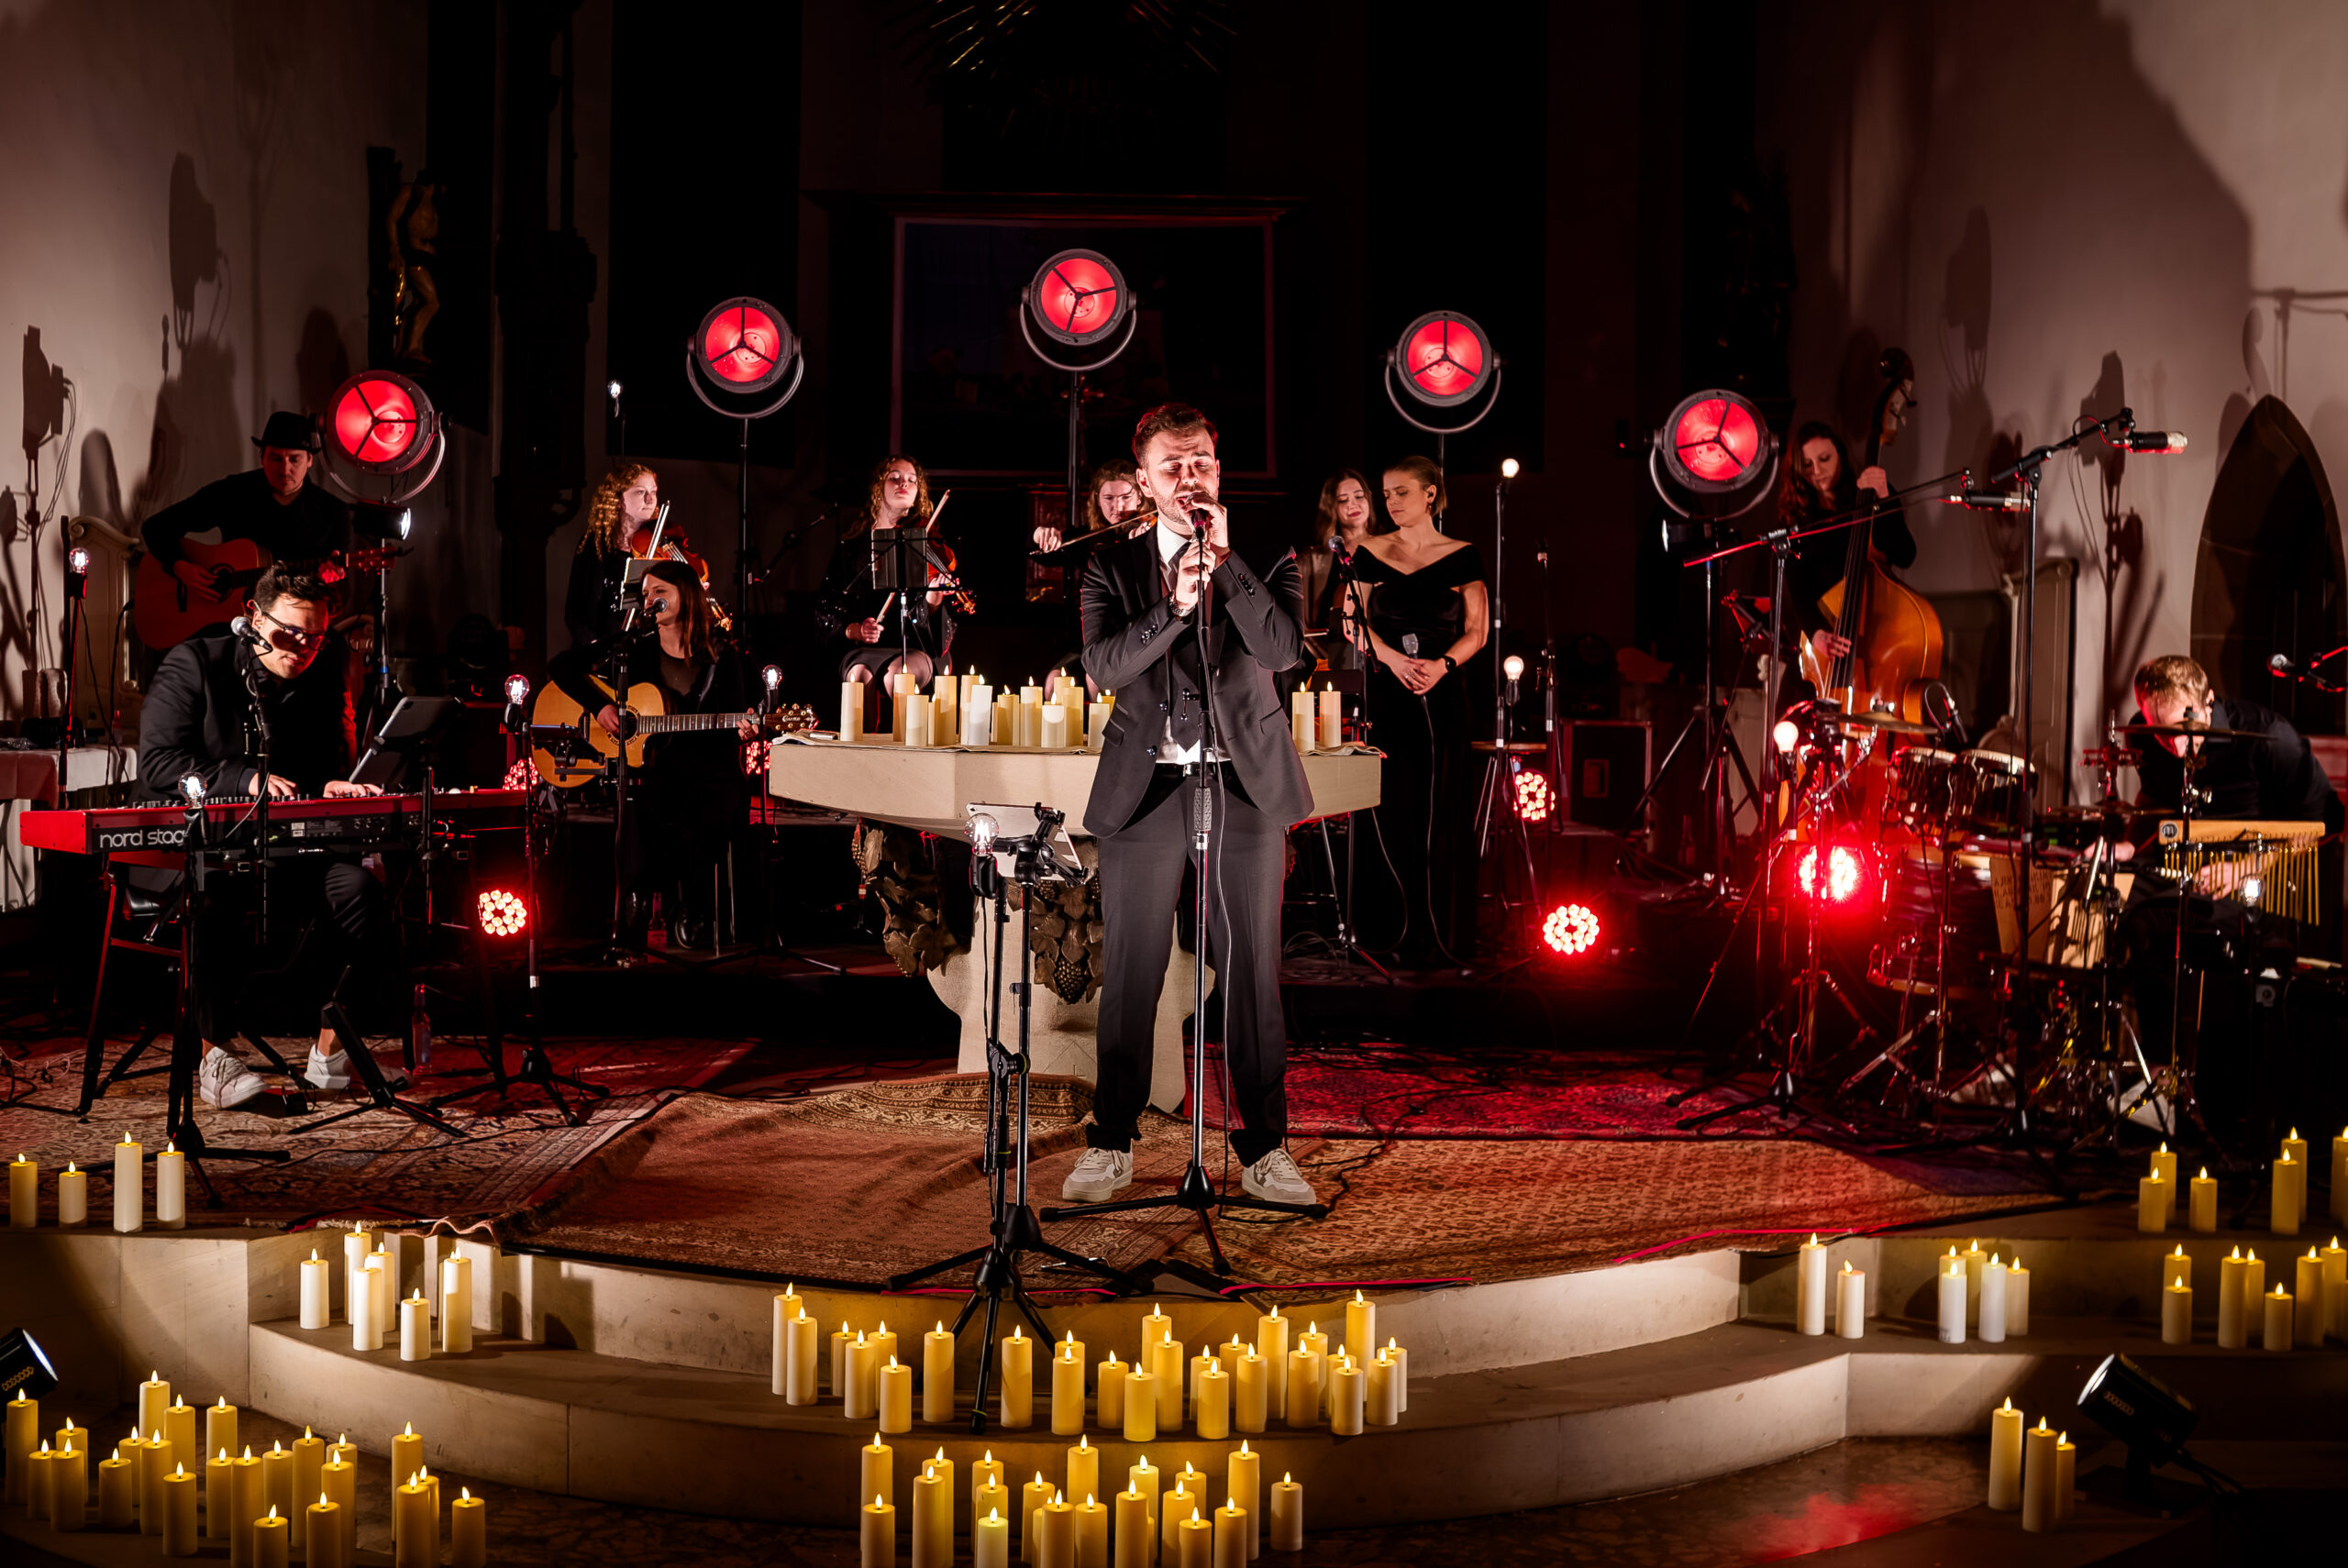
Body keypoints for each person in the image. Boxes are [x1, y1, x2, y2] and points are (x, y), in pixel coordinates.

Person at [1061, 402, 1316, 1208]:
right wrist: (1173, 605)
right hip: (1151, 786)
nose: (1188, 477)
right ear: (1144, 482)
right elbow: (1104, 666)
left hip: (1243, 783)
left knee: (1251, 973)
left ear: (1217, 466)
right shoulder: (1111, 568)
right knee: (1132, 973)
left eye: (1199, 461)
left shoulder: (1268, 554)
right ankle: (1112, 1140)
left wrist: (1228, 569)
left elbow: (1282, 651)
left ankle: (1265, 1148)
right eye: (1170, 466)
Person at [135, 563, 396, 1108]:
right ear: (253, 618)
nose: (302, 648)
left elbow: (325, 766)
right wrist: (243, 779)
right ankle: (214, 1056)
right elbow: (159, 764)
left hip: (285, 849)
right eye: (289, 633)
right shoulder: (194, 664)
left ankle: (330, 1051)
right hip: (200, 848)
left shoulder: (323, 673)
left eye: (315, 638)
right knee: (214, 889)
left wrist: (333, 786)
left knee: (360, 890)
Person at [2117, 655, 2342, 1143]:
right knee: (2121, 907)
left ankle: (2208, 1089)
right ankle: (2156, 1077)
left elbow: (2327, 823)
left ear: (2207, 702)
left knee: (2182, 926)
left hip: (2263, 880)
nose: (2176, 746)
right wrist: (2128, 846)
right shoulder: (2147, 733)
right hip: (2185, 872)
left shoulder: (2269, 738)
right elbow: (2154, 802)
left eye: (2185, 728)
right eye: (2163, 733)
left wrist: (2243, 869)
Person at [550, 558, 761, 950]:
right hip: (653, 769)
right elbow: (560, 666)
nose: (649, 601)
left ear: (687, 595)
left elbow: (739, 717)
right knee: (638, 800)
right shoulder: (634, 648)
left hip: (709, 770)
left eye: (659, 592)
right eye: (646, 594)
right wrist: (600, 706)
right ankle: (638, 899)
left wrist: (747, 729)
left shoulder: (722, 654)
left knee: (704, 805)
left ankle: (693, 902)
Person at [1352, 457, 1490, 966]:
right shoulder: (1369, 551)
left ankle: (1441, 935)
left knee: (1439, 804)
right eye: (1386, 494)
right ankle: (1387, 932)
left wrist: (1442, 666)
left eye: (1401, 492)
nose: (1391, 502)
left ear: (1431, 493)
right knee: (1391, 803)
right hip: (1389, 690)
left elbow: (1478, 630)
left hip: (1443, 690)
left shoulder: (1462, 555)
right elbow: (1352, 622)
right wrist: (1391, 660)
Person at [140, 411, 355, 635]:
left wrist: (330, 583)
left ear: (309, 460)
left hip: (293, 630)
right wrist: (179, 566)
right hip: (228, 628)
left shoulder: (334, 512)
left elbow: (342, 598)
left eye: (294, 459)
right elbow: (155, 527)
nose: (285, 469)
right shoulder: (233, 492)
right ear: (262, 458)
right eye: (275, 458)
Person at [814, 456, 959, 720]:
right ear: (878, 488)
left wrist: (934, 596)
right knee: (860, 675)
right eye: (895, 477)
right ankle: (865, 747)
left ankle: (909, 744)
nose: (904, 483)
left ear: (917, 494)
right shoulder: (851, 548)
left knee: (899, 676)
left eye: (912, 481)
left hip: (916, 649)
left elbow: (931, 632)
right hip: (864, 649)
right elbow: (826, 608)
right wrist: (856, 630)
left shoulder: (925, 543)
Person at [1773, 420, 1908, 681]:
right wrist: (1816, 633)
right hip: (1824, 640)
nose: (1817, 471)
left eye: (1824, 459)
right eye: (1807, 464)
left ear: (1840, 456)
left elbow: (1905, 554)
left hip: (1874, 637)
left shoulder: (1870, 497)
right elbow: (1797, 589)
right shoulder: (1796, 519)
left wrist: (1883, 495)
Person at [566, 463, 661, 649]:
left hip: (645, 648)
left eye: (653, 492)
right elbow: (574, 609)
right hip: (600, 646)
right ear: (617, 500)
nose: (650, 500)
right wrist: (593, 645)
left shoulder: (660, 543)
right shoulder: (594, 544)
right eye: (640, 492)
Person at [1298, 469, 1376, 675]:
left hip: (1380, 662)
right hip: (1328, 664)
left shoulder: (1389, 550)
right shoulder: (1310, 561)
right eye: (1343, 500)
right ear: (1331, 506)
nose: (1353, 504)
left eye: (1359, 497)